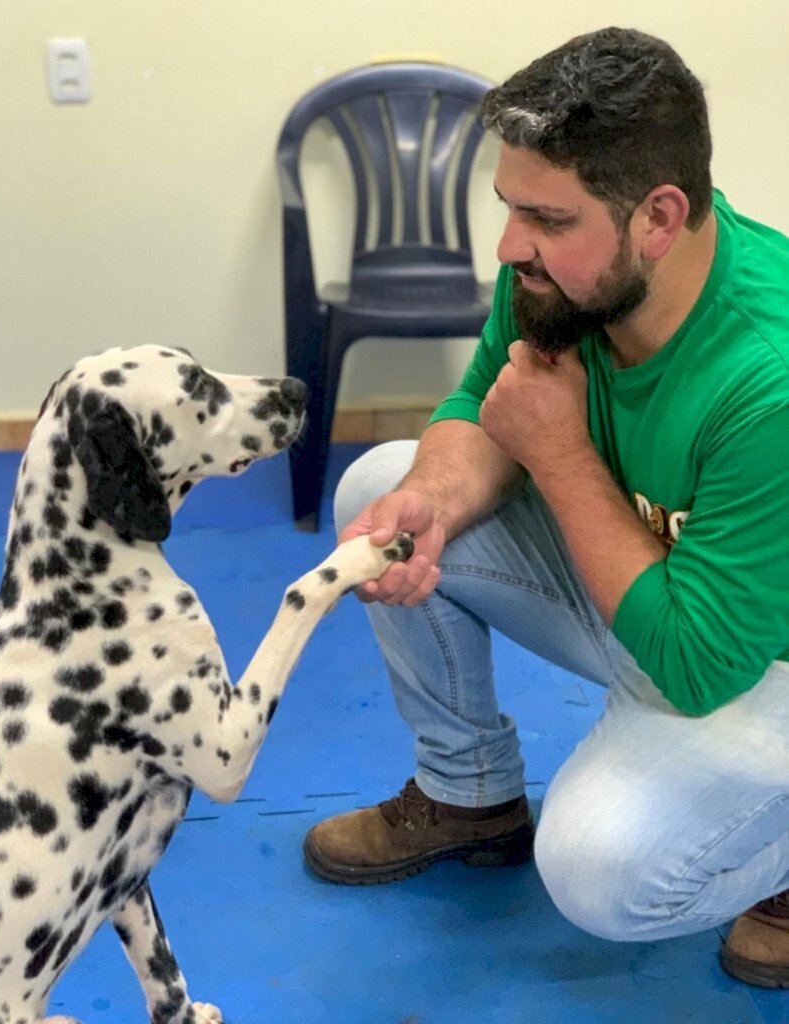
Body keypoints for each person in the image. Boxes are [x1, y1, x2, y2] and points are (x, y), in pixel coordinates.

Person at [302, 26, 789, 987]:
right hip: (651, 586)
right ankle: (469, 794)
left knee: (601, 880)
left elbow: (696, 666)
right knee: (381, 491)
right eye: (509, 207)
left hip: (750, 658)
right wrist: (431, 498)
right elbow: (482, 406)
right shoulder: (562, 275)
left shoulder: (765, 378)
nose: (509, 245)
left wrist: (560, 454)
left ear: (658, 215)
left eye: (546, 219)